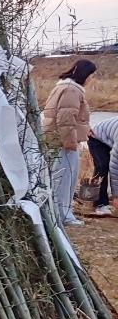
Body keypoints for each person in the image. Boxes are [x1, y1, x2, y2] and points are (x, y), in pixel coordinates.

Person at [42, 59, 96, 227]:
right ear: (85, 74)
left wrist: (85, 129)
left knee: (59, 179)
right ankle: (63, 215)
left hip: (56, 141)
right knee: (65, 180)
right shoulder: (72, 90)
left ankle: (60, 213)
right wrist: (70, 143)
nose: (91, 79)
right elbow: (65, 119)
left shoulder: (64, 87)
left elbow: (70, 117)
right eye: (91, 75)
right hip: (63, 143)